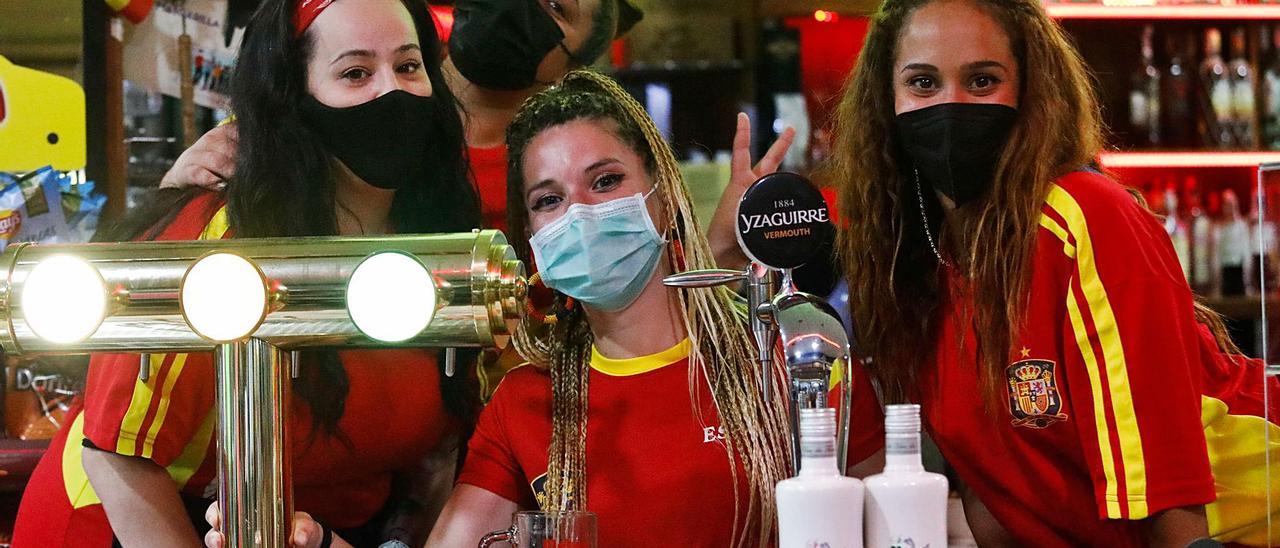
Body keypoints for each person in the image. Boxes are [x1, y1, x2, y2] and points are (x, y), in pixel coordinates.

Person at [13, 0, 481, 546]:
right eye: (355, 73)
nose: (390, 92)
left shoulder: (443, 232)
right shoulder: (219, 240)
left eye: (408, 66)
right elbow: (117, 459)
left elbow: (438, 456)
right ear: (293, 98)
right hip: (129, 524)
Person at [832, 0, 1280, 545]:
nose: (950, 105)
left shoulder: (1084, 214)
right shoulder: (915, 265)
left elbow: (1169, 499)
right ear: (886, 101)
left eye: (982, 80)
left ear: (1030, 91)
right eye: (923, 83)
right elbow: (996, 500)